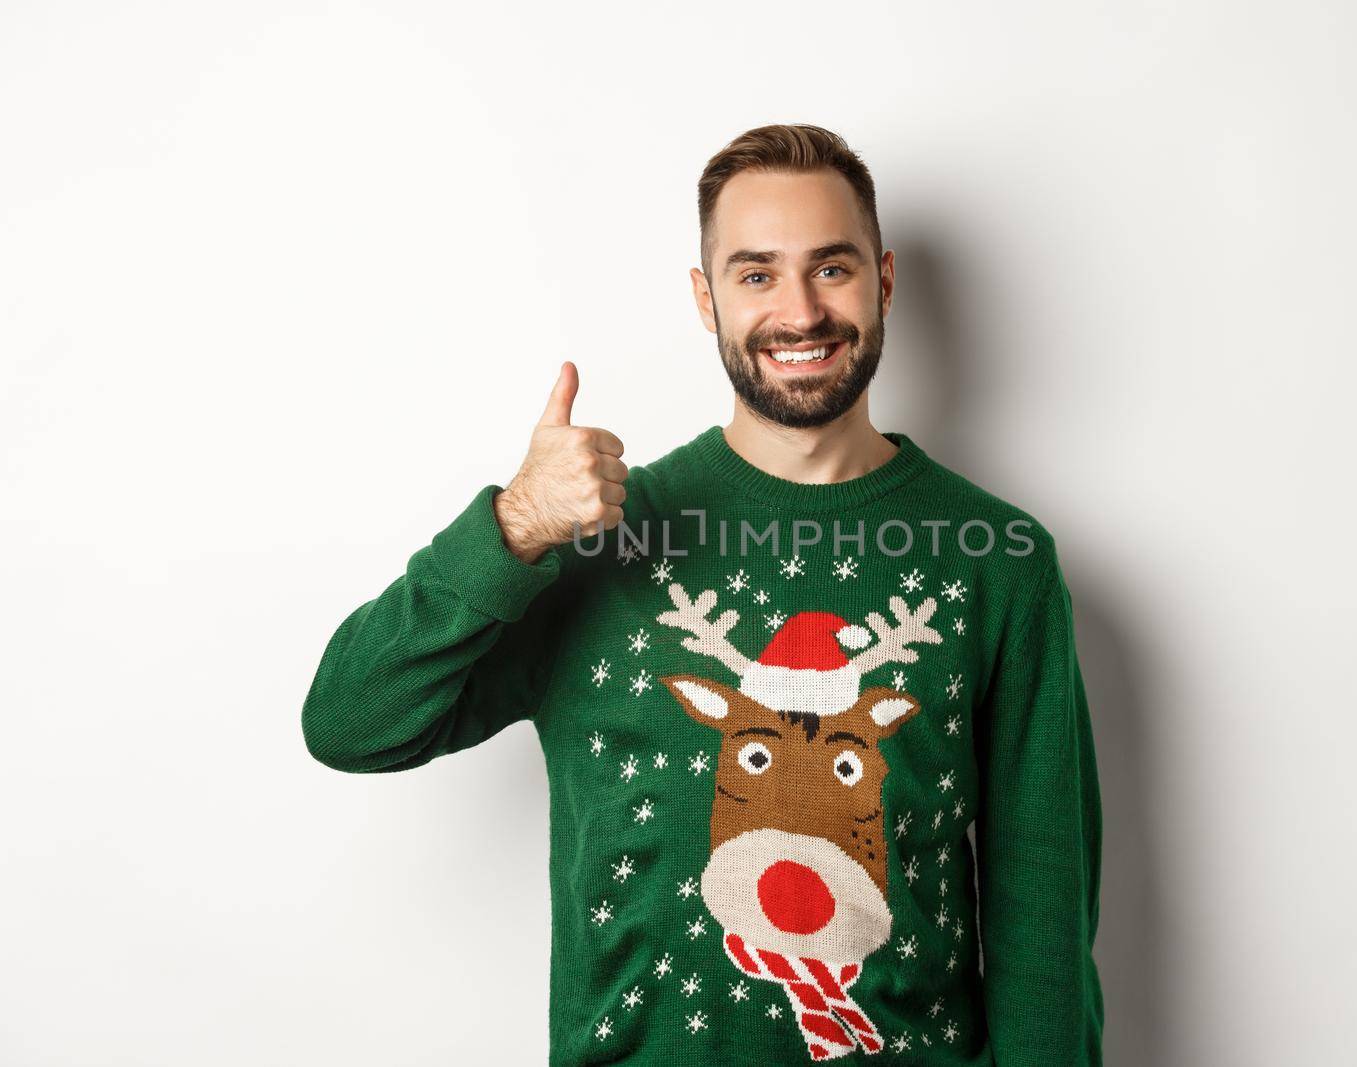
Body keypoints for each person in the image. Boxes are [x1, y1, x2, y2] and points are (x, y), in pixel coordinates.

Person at [302, 123, 1103, 1065]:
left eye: (832, 268)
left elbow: (1041, 919)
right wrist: (512, 528)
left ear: (884, 281)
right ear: (706, 297)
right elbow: (351, 722)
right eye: (756, 274)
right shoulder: (594, 536)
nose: (799, 312)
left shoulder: (998, 560)